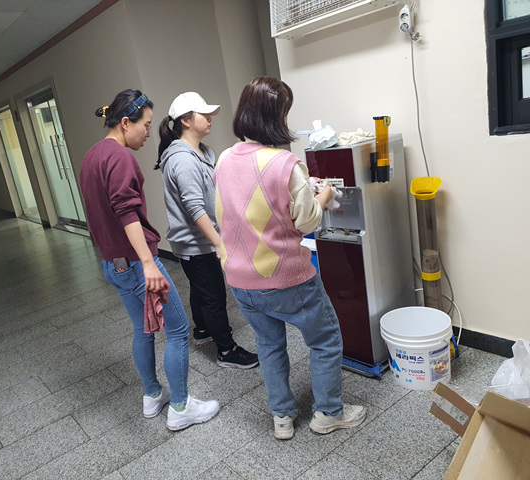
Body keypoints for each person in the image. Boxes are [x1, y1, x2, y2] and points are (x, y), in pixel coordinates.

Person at [213, 77, 367, 440]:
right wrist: (323, 196)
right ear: (275, 116)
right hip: (285, 278)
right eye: (285, 111)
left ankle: (281, 417)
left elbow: (247, 203)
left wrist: (300, 187)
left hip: (240, 280)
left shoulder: (224, 158)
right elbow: (306, 221)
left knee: (269, 345)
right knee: (325, 339)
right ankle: (328, 413)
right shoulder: (285, 163)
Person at [79, 89, 219, 431]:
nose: (148, 132)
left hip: (112, 263)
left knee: (142, 329)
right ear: (125, 122)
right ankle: (181, 407)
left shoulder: (92, 156)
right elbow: (126, 212)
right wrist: (147, 263)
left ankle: (152, 394)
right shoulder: (120, 158)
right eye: (145, 125)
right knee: (178, 330)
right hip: (136, 262)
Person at [155, 92, 259, 369]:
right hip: (196, 242)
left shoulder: (203, 152)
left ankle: (202, 330)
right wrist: (217, 242)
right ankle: (226, 350)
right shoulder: (183, 160)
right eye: (204, 114)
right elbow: (194, 207)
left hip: (200, 240)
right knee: (214, 295)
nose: (210, 118)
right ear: (186, 121)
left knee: (201, 286)